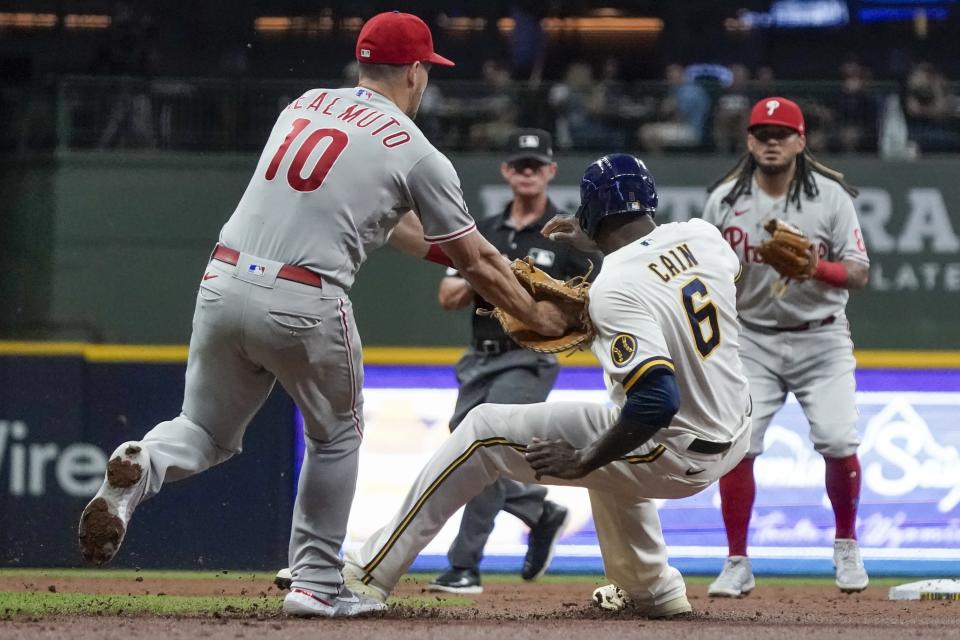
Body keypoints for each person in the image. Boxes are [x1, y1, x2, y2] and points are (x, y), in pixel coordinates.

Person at [76, 11, 571, 619]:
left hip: (223, 279)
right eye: (426, 71)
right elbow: (480, 264)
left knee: (203, 431)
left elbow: (390, 224)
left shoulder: (305, 104)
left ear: (363, 63)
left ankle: (141, 462)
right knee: (337, 434)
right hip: (303, 297)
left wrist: (463, 255)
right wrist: (539, 319)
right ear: (415, 72)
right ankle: (314, 582)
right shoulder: (418, 153)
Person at [341, 153, 752, 618]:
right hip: (736, 428)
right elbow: (685, 281)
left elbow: (656, 400)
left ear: (591, 213)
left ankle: (365, 574)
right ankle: (652, 588)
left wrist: (583, 460)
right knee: (615, 434)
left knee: (484, 431)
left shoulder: (613, 286)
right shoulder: (703, 236)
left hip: (677, 448)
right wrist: (603, 247)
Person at [700, 97, 871, 597]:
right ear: (749, 142)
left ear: (801, 141)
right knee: (738, 449)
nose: (771, 142)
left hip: (822, 337)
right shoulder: (725, 200)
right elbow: (707, 275)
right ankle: (736, 561)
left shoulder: (831, 198)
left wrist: (815, 268)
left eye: (782, 133)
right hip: (752, 337)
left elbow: (858, 273)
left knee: (839, 442)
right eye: (762, 133)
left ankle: (846, 545)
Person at [428, 128, 596, 594]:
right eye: (519, 166)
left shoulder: (563, 239)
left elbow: (580, 307)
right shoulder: (480, 232)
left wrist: (536, 294)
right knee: (467, 451)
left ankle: (464, 565)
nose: (527, 173)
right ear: (506, 171)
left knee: (487, 446)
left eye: (535, 166)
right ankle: (538, 511)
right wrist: (486, 272)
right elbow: (447, 297)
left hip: (528, 360)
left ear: (550, 172)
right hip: (478, 358)